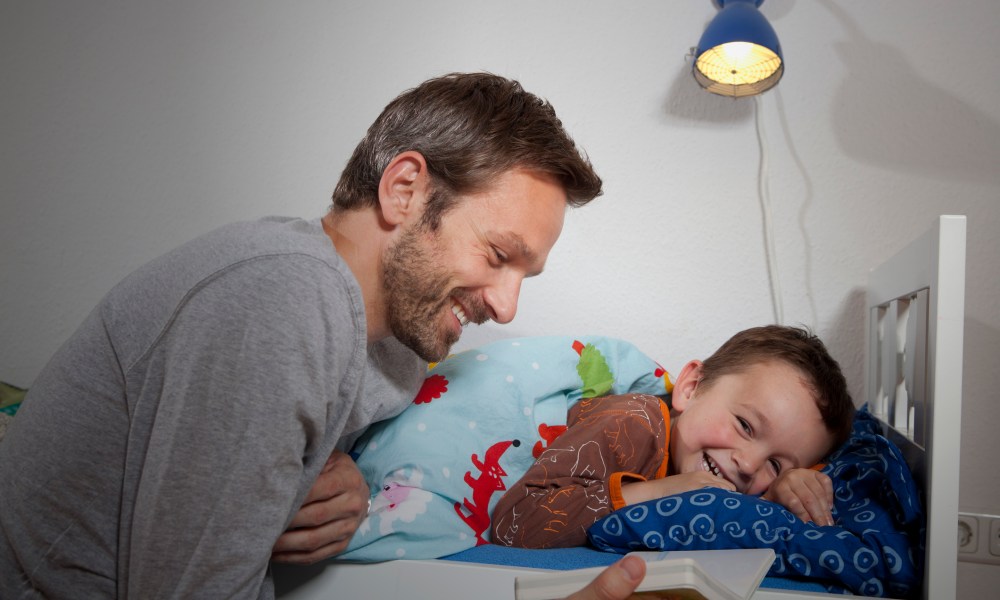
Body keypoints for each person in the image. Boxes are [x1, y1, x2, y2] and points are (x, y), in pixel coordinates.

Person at [0, 72, 604, 599]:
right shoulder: (281, 297)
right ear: (405, 191)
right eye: (498, 254)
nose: (506, 307)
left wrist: (347, 482)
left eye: (525, 275)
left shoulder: (392, 346)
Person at [491, 325, 856, 549]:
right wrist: (661, 490)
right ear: (692, 387)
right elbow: (515, 524)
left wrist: (786, 486)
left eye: (775, 463)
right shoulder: (632, 424)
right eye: (745, 426)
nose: (748, 464)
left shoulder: (734, 479)